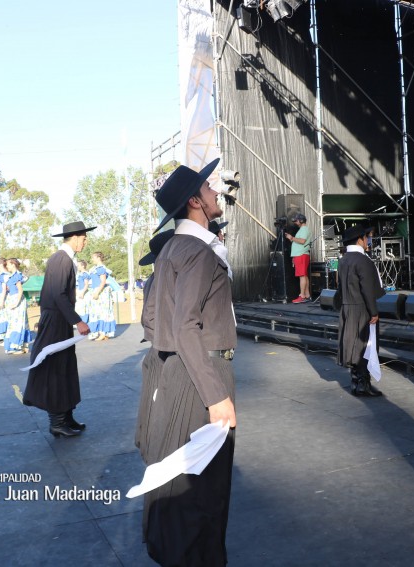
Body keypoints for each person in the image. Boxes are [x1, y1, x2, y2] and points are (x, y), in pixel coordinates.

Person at [140, 158, 237, 566]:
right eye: (209, 189)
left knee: (185, 483)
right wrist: (216, 395)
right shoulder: (195, 249)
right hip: (203, 375)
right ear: (195, 201)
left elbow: (151, 320)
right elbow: (185, 326)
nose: (216, 193)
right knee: (203, 490)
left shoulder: (174, 249)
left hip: (179, 373)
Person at [22, 221, 95, 438]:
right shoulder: (61, 259)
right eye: (83, 237)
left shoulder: (63, 259)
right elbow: (58, 294)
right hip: (56, 320)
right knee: (55, 369)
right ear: (74, 237)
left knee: (65, 367)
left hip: (58, 319)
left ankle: (66, 416)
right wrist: (78, 321)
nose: (85, 241)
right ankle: (57, 421)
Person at [134, 228, 174, 466]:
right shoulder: (160, 278)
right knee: (159, 405)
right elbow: (149, 317)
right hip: (162, 351)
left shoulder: (158, 276)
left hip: (160, 349)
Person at [337, 225, 385, 397]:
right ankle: (363, 384)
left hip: (348, 308)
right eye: (367, 237)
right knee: (366, 346)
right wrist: (374, 312)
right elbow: (367, 289)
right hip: (362, 309)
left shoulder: (343, 259)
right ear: (360, 239)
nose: (368, 241)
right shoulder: (363, 260)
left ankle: (355, 382)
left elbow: (340, 287)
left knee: (354, 346)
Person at [3, 258, 31, 354]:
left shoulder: (17, 276)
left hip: (17, 299)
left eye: (8, 265)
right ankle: (24, 346)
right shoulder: (13, 276)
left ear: (13, 265)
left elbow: (20, 290)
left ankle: (18, 346)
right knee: (20, 322)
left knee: (17, 323)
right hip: (13, 298)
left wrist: (16, 303)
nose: (7, 266)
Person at [87, 252, 116, 341]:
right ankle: (102, 332)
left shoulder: (101, 268)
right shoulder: (95, 268)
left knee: (102, 312)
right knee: (98, 312)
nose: (92, 259)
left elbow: (102, 281)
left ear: (98, 258)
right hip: (96, 290)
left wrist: (97, 292)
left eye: (93, 257)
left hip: (101, 292)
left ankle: (103, 332)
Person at [285, 213, 311, 303]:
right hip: (301, 254)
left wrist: (291, 238)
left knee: (302, 276)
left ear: (301, 220)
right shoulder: (303, 229)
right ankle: (307, 295)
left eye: (296, 220)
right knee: (304, 275)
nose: (295, 222)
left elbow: (302, 241)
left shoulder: (303, 229)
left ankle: (302, 296)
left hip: (301, 255)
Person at [75, 260, 91, 324]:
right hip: (79, 292)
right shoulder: (79, 274)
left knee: (84, 308)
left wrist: (82, 292)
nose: (77, 267)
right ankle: (80, 322)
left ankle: (85, 322)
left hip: (83, 293)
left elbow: (86, 284)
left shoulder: (85, 274)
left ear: (83, 266)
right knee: (79, 308)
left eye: (78, 265)